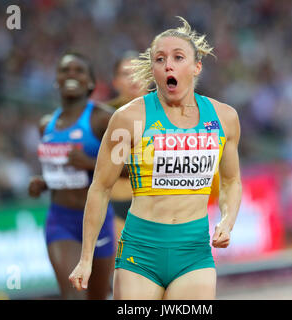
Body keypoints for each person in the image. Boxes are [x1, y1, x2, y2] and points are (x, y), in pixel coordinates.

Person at [69, 17, 242, 300]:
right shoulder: (128, 118)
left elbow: (233, 180)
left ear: (196, 67)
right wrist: (86, 258)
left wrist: (227, 220)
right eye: (160, 59)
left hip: (193, 252)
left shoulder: (225, 118)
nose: (168, 65)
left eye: (178, 57)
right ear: (153, 70)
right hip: (141, 251)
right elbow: (100, 187)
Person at [28, 52, 116, 299]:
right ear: (56, 79)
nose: (71, 75)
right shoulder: (46, 124)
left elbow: (130, 171)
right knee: (74, 294)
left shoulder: (104, 118)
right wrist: (42, 183)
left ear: (90, 82)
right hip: (60, 220)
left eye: (79, 71)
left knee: (96, 296)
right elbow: (59, 173)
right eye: (65, 70)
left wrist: (89, 163)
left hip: (98, 221)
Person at [106, 51, 148, 245]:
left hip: (155, 204)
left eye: (138, 71)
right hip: (116, 205)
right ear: (115, 82)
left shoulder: (168, 112)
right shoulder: (102, 117)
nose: (133, 78)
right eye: (125, 73)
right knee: (123, 269)